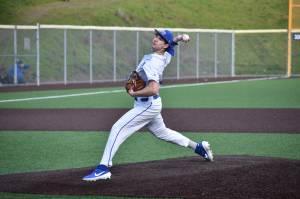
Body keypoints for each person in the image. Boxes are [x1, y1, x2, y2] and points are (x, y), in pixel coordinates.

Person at [82, 29, 213, 181]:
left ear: (163, 45)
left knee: (118, 128)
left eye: (160, 38)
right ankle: (198, 147)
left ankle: (103, 168)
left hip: (147, 106)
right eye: (156, 36)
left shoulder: (154, 62)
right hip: (152, 104)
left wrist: (134, 94)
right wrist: (179, 38)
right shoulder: (164, 55)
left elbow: (153, 88)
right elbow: (170, 46)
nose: (155, 39)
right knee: (162, 132)